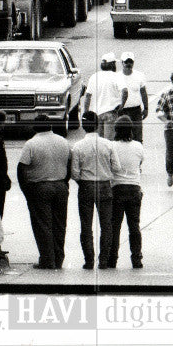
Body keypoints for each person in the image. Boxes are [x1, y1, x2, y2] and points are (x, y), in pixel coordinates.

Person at [17, 114, 71, 269]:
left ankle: (47, 259)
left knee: (43, 225)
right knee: (60, 224)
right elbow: (69, 164)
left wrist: (26, 189)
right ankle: (58, 258)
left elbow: (22, 168)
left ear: (35, 127)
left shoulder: (31, 144)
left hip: (39, 187)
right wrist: (64, 182)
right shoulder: (63, 142)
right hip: (60, 186)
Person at [71, 111, 121, 269]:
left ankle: (89, 260)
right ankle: (104, 260)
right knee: (106, 225)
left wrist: (82, 180)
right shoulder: (108, 144)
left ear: (83, 126)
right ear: (98, 125)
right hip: (105, 185)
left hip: (86, 185)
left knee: (86, 225)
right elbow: (117, 167)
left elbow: (74, 173)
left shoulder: (78, 146)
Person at [104, 115, 144, 269]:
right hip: (134, 188)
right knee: (134, 226)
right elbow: (140, 163)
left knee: (115, 226)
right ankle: (136, 259)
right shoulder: (138, 146)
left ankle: (112, 259)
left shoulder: (111, 146)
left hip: (117, 188)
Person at [84, 53, 122, 138]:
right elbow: (124, 92)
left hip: (96, 114)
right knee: (109, 142)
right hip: (110, 113)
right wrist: (121, 105)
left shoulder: (94, 77)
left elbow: (87, 96)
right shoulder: (116, 76)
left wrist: (85, 113)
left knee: (98, 141)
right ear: (112, 64)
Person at [117, 52, 149, 143]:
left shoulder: (139, 75)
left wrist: (146, 108)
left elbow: (143, 92)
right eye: (126, 62)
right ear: (122, 63)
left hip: (136, 111)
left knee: (138, 137)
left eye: (131, 62)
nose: (128, 64)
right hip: (122, 111)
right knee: (122, 137)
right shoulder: (117, 76)